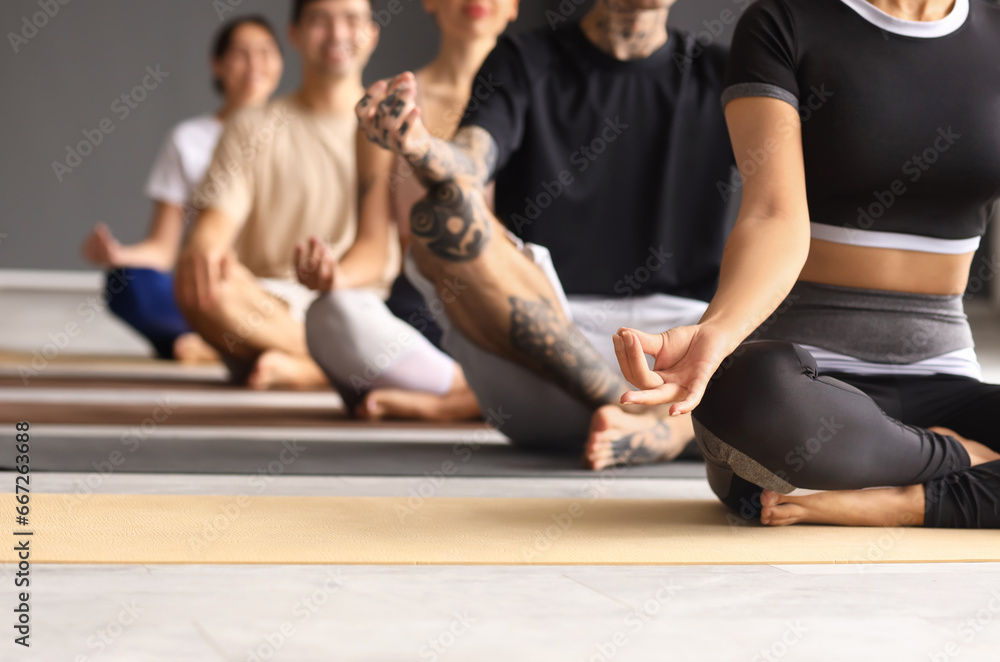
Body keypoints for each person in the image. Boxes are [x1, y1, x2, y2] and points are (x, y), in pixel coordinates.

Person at [614, 0, 1000, 527]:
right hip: (805, 390)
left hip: (946, 376)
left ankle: (909, 499)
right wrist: (720, 333)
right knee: (744, 394)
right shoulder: (787, 22)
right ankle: (961, 464)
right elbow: (774, 212)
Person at [354, 0, 735, 468]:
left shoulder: (726, 73)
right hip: (544, 348)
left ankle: (667, 428)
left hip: (689, 355)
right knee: (440, 219)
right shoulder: (523, 59)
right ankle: (653, 420)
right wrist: (419, 146)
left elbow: (785, 215)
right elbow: (470, 165)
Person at [299, 0, 514, 421]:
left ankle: (457, 399)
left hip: (509, 314)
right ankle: (471, 393)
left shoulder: (532, 106)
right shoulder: (391, 107)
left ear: (515, 6)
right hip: (419, 310)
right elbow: (374, 245)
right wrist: (334, 277)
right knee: (329, 315)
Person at [176, 0, 393, 390]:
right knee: (198, 282)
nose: (337, 33)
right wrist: (204, 246)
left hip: (355, 301)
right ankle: (334, 367)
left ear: (372, 35)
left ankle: (305, 365)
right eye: (320, 21)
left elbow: (379, 248)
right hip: (267, 303)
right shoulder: (251, 125)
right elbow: (217, 222)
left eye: (351, 20)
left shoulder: (386, 130)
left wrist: (335, 278)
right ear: (293, 35)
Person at [81, 16, 283, 363]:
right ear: (217, 65)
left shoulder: (294, 134)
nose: (254, 65)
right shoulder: (188, 139)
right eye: (240, 54)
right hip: (212, 283)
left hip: (275, 285)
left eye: (265, 52)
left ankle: (217, 345)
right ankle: (231, 342)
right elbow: (163, 247)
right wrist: (119, 255)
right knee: (128, 285)